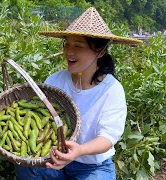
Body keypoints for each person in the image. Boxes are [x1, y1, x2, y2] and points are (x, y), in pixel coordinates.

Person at [15, 7, 142, 179]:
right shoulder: (55, 80)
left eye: (78, 45)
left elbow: (107, 138)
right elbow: (42, 113)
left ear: (100, 51)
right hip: (54, 158)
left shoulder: (111, 90)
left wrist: (79, 151)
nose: (69, 51)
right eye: (67, 44)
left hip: (92, 166)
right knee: (26, 168)